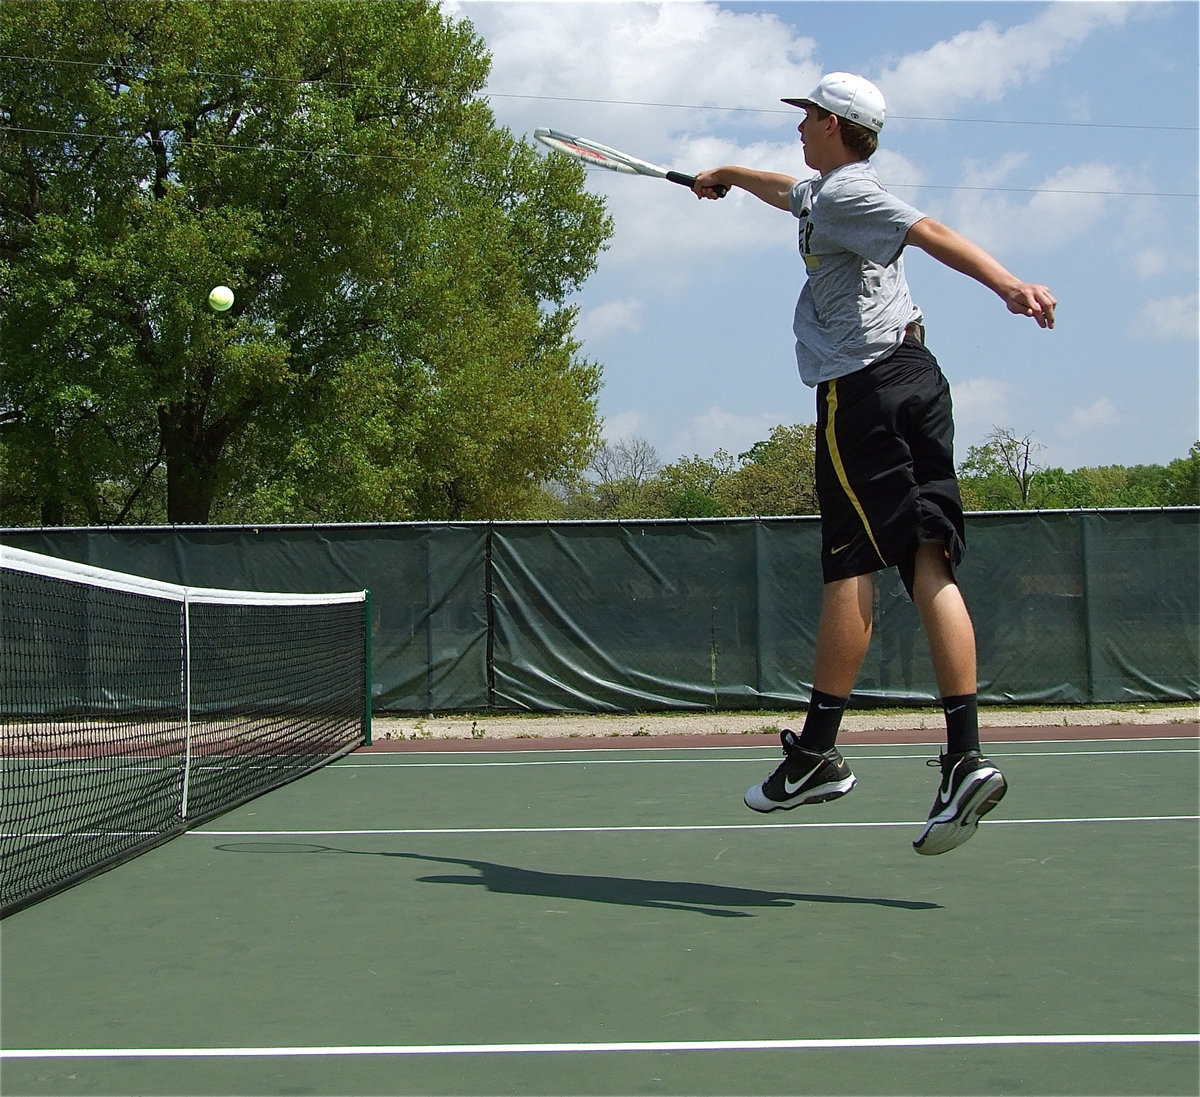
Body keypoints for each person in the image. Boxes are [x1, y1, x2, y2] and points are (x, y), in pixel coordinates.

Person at [691, 73, 1056, 855]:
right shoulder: (826, 195)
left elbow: (928, 230)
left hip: (862, 394)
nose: (797, 128)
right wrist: (723, 172)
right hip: (919, 377)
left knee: (849, 567)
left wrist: (1008, 285)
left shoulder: (851, 198)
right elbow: (787, 190)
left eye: (806, 116)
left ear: (832, 123)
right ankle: (957, 756)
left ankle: (830, 753)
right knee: (923, 564)